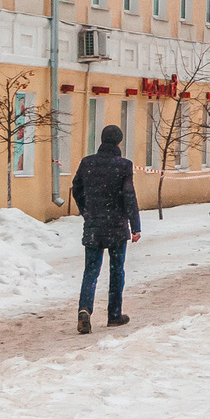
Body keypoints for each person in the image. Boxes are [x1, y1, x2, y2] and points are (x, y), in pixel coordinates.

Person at [72, 125, 141, 334]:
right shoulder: (124, 166)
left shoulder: (87, 163)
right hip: (117, 227)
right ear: (119, 142)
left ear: (101, 140)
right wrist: (135, 226)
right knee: (116, 270)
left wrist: (87, 211)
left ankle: (84, 309)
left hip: (93, 226)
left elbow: (76, 189)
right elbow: (129, 197)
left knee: (91, 270)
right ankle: (114, 314)